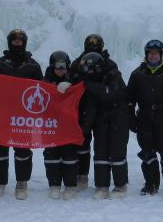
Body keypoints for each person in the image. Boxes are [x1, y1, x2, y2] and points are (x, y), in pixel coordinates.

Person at [0, 29, 43, 199]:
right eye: (14, 41)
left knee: (23, 151)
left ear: (24, 42)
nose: (17, 44)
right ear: (9, 42)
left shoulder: (33, 65)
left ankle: (22, 183)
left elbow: (41, 88)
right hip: (1, 113)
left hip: (23, 116)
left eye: (20, 41)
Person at [127, 40, 163, 199]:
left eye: (156, 53)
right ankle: (151, 183)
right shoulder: (137, 74)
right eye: (150, 53)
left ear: (161, 55)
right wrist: (131, 117)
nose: (153, 56)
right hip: (144, 117)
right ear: (146, 55)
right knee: (147, 153)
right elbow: (129, 98)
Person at [79, 52, 131, 200]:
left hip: (118, 118)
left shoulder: (114, 75)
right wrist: (84, 129)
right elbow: (90, 108)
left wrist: (88, 85)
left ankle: (120, 186)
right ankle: (102, 186)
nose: (88, 73)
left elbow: (109, 93)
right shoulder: (90, 81)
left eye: (90, 70)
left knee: (117, 152)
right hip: (101, 119)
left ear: (97, 68)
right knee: (100, 151)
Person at [69, 34, 119, 188]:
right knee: (81, 143)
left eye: (96, 43)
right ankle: (81, 175)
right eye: (90, 43)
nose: (92, 46)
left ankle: (101, 180)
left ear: (101, 45)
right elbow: (71, 79)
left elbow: (114, 87)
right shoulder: (77, 63)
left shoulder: (109, 64)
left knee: (101, 145)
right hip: (82, 108)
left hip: (103, 110)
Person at [42, 50, 80, 200]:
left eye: (63, 66)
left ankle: (70, 186)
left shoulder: (75, 80)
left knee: (69, 155)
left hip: (68, 124)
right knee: (51, 155)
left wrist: (71, 86)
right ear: (52, 66)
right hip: (51, 124)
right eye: (57, 66)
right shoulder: (45, 81)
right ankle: (54, 185)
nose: (60, 70)